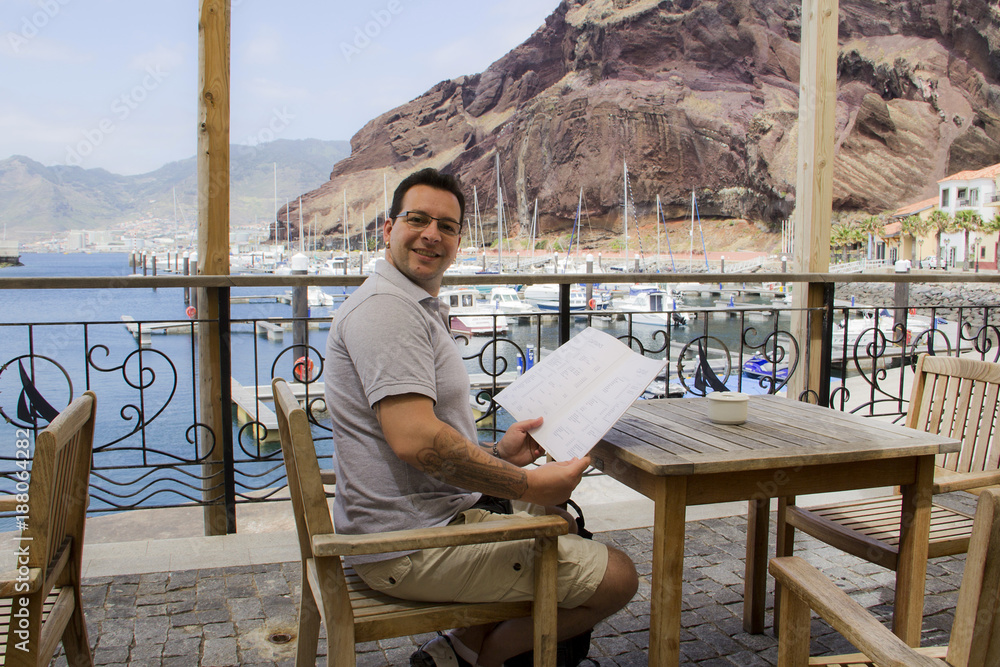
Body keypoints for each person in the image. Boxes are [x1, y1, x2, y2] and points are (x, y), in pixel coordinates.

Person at [323, 167, 638, 667]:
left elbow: (419, 438)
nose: (432, 234)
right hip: (406, 545)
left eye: (446, 226)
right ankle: (479, 658)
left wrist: (499, 454)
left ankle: (459, 650)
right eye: (417, 219)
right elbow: (415, 440)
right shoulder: (386, 310)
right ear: (388, 229)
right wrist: (528, 484)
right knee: (619, 577)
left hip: (413, 520)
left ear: (458, 241)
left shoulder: (410, 304)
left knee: (558, 521)